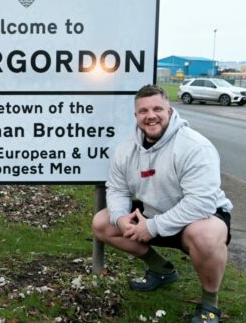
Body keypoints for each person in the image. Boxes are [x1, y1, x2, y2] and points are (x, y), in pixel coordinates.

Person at [92, 84, 232, 323]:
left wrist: (153, 227)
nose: (151, 116)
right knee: (102, 223)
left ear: (170, 110)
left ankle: (209, 306)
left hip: (199, 219)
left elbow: (201, 203)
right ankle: (162, 270)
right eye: (143, 111)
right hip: (152, 214)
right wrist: (120, 217)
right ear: (136, 116)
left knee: (205, 236)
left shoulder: (195, 146)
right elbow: (116, 188)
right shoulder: (125, 150)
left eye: (157, 108)